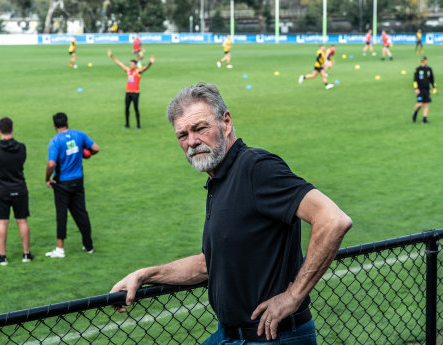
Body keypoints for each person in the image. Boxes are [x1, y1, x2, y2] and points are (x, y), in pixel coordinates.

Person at [110, 83, 353, 344]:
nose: (192, 141)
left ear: (226, 122)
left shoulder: (255, 168)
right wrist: (145, 275)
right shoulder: (220, 179)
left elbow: (333, 220)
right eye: (182, 135)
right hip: (230, 335)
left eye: (200, 128)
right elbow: (209, 263)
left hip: (274, 337)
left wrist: (293, 296)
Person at [45, 112, 100, 258]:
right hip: (78, 181)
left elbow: (51, 164)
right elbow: (95, 148)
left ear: (54, 124)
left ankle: (60, 249)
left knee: (61, 215)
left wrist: (47, 178)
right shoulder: (79, 135)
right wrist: (86, 154)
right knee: (81, 213)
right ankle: (88, 246)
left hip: (62, 183)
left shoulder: (55, 141)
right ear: (67, 122)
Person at [0, 117, 33, 266]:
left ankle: (3, 256)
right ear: (12, 128)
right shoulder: (21, 147)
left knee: (2, 223)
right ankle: (26, 254)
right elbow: (22, 161)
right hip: (19, 189)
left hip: (1, 191)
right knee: (22, 221)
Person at [107, 49, 155, 129]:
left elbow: (145, 68)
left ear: (135, 65)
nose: (131, 65)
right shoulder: (128, 70)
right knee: (126, 108)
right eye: (130, 64)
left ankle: (138, 124)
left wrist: (150, 63)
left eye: (132, 64)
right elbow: (119, 63)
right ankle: (127, 124)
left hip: (135, 93)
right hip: (128, 92)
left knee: (136, 109)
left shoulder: (138, 71)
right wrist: (111, 56)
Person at [412, 56, 437, 124]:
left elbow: (432, 79)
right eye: (421, 61)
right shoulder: (417, 69)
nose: (422, 62)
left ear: (426, 61)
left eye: (423, 61)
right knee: (420, 104)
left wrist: (434, 87)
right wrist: (416, 88)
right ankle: (415, 113)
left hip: (427, 89)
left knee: (426, 104)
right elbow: (415, 80)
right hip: (420, 89)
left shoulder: (429, 69)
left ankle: (424, 119)